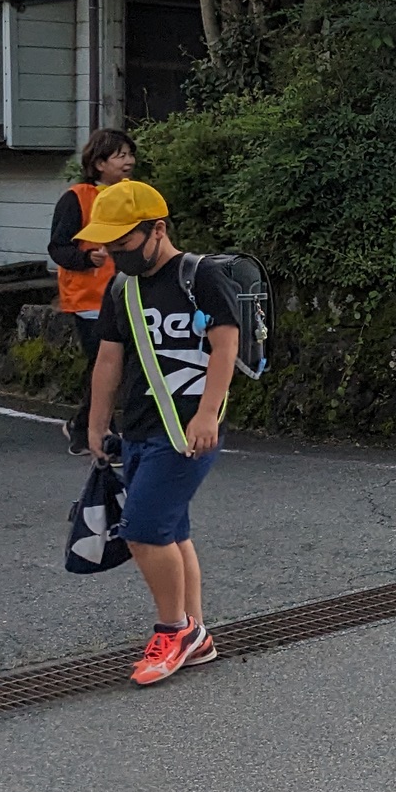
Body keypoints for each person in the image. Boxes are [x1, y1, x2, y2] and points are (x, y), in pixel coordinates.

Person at [80, 179, 241, 688]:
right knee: (172, 532)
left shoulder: (201, 276)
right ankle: (197, 634)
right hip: (139, 428)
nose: (115, 253)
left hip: (188, 430)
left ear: (157, 229)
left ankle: (173, 630)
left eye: (123, 241)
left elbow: (225, 346)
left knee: (145, 532)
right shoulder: (122, 287)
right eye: (108, 244)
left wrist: (208, 414)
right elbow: (109, 359)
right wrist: (96, 422)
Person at [48, 128, 138, 454]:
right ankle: (97, 430)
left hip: (125, 293)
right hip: (88, 298)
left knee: (114, 363)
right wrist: (87, 259)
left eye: (130, 154)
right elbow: (58, 247)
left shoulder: (133, 196)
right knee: (104, 362)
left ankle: (86, 425)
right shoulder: (76, 198)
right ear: (99, 163)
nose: (129, 161)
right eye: (120, 155)